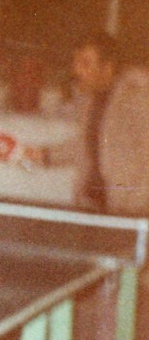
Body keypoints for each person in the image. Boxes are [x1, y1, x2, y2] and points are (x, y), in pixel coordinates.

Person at [23, 33, 149, 217]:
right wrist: (46, 155)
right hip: (92, 203)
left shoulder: (139, 98)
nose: (77, 70)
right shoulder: (90, 99)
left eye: (85, 63)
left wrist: (137, 210)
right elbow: (90, 144)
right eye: (76, 62)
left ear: (107, 67)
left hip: (128, 212)